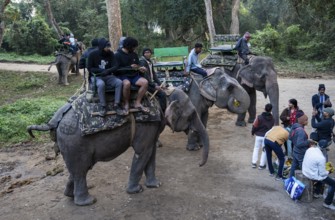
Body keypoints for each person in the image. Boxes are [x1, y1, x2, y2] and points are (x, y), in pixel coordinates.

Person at [86, 38, 126, 117]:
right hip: (97, 76)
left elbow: (115, 65)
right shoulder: (92, 54)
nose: (108, 48)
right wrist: (100, 71)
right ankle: (103, 106)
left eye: (109, 46)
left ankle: (116, 104)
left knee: (119, 82)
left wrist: (108, 71)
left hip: (108, 75)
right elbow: (89, 68)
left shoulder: (110, 54)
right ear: (101, 46)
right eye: (107, 47)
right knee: (101, 84)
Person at [114, 37, 149, 114]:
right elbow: (116, 69)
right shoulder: (117, 55)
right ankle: (126, 103)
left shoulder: (134, 54)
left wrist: (140, 68)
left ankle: (138, 103)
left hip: (133, 75)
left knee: (145, 82)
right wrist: (130, 67)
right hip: (122, 76)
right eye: (134, 47)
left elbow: (137, 65)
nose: (135, 48)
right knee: (127, 84)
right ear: (129, 46)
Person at [302, 139, 335, 210]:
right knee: (333, 183)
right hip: (311, 174)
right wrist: (328, 171)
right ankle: (327, 203)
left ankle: (317, 192)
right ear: (325, 148)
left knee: (323, 176)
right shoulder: (321, 158)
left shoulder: (310, 149)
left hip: (305, 170)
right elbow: (322, 174)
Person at [139, 48, 167, 112]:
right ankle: (163, 112)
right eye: (146, 52)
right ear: (143, 54)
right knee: (162, 94)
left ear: (151, 53)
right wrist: (154, 86)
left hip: (151, 82)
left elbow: (154, 75)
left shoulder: (150, 62)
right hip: (146, 84)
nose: (147, 54)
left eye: (149, 52)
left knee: (165, 89)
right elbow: (145, 77)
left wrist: (160, 84)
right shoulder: (142, 62)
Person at [251, 103, 275, 169]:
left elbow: (254, 126)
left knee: (256, 148)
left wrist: (252, 132)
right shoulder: (272, 119)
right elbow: (272, 128)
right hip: (266, 137)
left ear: (264, 109)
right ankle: (261, 165)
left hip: (258, 135)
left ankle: (254, 163)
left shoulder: (259, 117)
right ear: (271, 110)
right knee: (264, 150)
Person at [289, 113, 312, 177]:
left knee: (294, 166)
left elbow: (290, 137)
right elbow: (299, 143)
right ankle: (305, 181)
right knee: (303, 167)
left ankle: (290, 179)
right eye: (306, 120)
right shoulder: (301, 131)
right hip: (300, 152)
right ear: (303, 122)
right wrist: (308, 141)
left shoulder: (294, 126)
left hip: (295, 150)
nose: (307, 121)